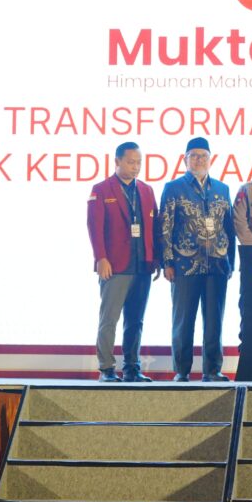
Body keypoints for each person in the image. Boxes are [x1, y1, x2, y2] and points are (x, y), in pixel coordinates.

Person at [159, 137, 235, 382]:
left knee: (214, 321)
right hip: (184, 265)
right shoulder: (173, 188)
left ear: (210, 160)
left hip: (217, 264)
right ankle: (182, 371)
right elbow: (165, 227)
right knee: (183, 320)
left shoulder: (222, 189)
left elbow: (229, 228)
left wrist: (231, 262)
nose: (199, 160)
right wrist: (167, 262)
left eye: (203, 156)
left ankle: (212, 370)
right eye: (194, 156)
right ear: (185, 159)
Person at [86, 141, 160, 383]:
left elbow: (155, 227)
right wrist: (100, 258)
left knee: (135, 321)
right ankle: (106, 368)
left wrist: (156, 258)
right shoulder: (101, 189)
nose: (135, 167)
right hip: (115, 265)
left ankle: (132, 368)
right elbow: (94, 227)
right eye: (130, 162)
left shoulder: (147, 190)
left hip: (142, 265)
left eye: (139, 162)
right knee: (109, 319)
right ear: (117, 161)